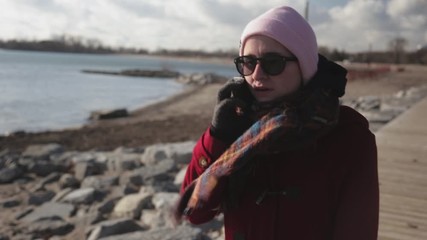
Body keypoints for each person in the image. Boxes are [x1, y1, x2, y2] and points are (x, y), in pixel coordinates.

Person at [174, 5, 379, 240]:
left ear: (305, 67)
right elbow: (194, 212)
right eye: (248, 62)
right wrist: (217, 136)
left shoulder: (348, 135)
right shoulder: (237, 125)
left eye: (273, 62)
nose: (257, 74)